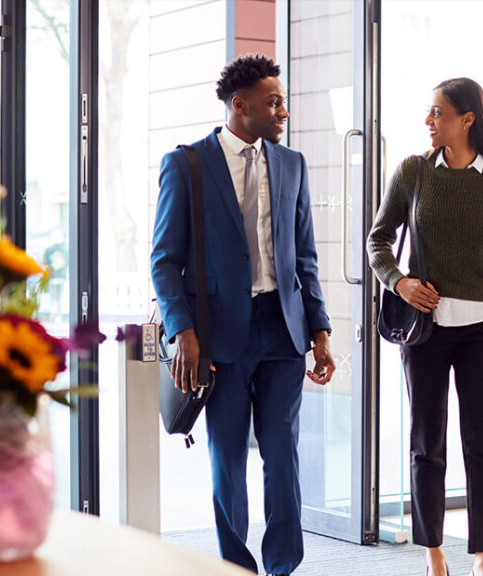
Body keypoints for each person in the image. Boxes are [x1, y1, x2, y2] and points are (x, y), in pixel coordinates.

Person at [151, 54, 335, 576]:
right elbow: (164, 260)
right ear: (240, 104)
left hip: (282, 328)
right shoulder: (186, 164)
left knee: (283, 455)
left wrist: (319, 330)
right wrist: (183, 331)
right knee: (227, 459)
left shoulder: (291, 163)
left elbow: (305, 257)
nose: (283, 112)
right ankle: (237, 565)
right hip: (219, 335)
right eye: (274, 102)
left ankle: (281, 566)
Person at [366, 77, 483, 576]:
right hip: (426, 330)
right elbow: (378, 240)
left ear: (467, 120)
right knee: (427, 438)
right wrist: (400, 282)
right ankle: (434, 553)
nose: (429, 121)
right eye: (429, 113)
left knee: (480, 442)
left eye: (437, 113)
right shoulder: (414, 172)